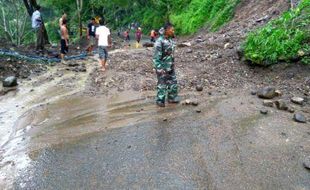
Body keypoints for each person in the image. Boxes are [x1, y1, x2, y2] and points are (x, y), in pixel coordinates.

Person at [153, 23, 180, 107]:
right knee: (162, 85)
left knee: (173, 83)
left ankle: (172, 98)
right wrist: (159, 68)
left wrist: (172, 64)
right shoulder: (159, 41)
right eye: (172, 30)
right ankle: (160, 100)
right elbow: (156, 57)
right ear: (167, 30)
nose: (173, 31)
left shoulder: (170, 40)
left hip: (170, 66)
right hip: (162, 67)